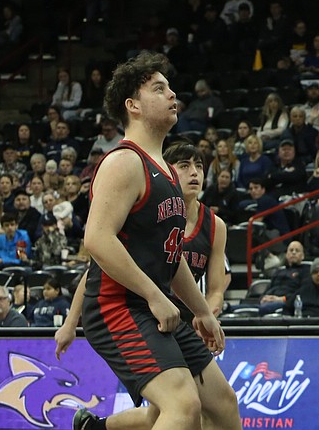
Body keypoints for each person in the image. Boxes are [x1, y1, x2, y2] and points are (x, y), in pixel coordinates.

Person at [72, 52, 238, 430]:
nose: (171, 94)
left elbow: (171, 254)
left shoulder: (163, 167)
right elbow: (97, 239)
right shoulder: (123, 162)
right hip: (117, 306)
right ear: (132, 105)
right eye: (158, 89)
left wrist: (202, 311)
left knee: (222, 402)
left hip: (154, 303)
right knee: (182, 405)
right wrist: (155, 296)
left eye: (170, 88)